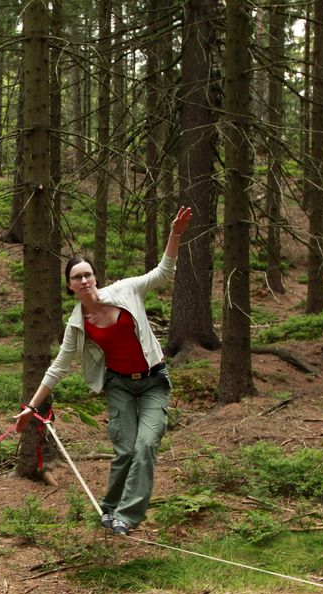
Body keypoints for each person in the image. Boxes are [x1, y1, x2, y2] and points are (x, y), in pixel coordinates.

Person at [15, 206, 193, 537]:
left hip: (154, 381)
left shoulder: (127, 290)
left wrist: (175, 233)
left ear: (95, 277)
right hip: (120, 387)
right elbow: (58, 367)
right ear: (69, 286)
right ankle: (109, 509)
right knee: (125, 449)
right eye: (75, 277)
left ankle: (126, 516)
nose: (83, 280)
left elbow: (164, 271)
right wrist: (31, 407)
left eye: (87, 274)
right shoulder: (77, 324)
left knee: (145, 446)